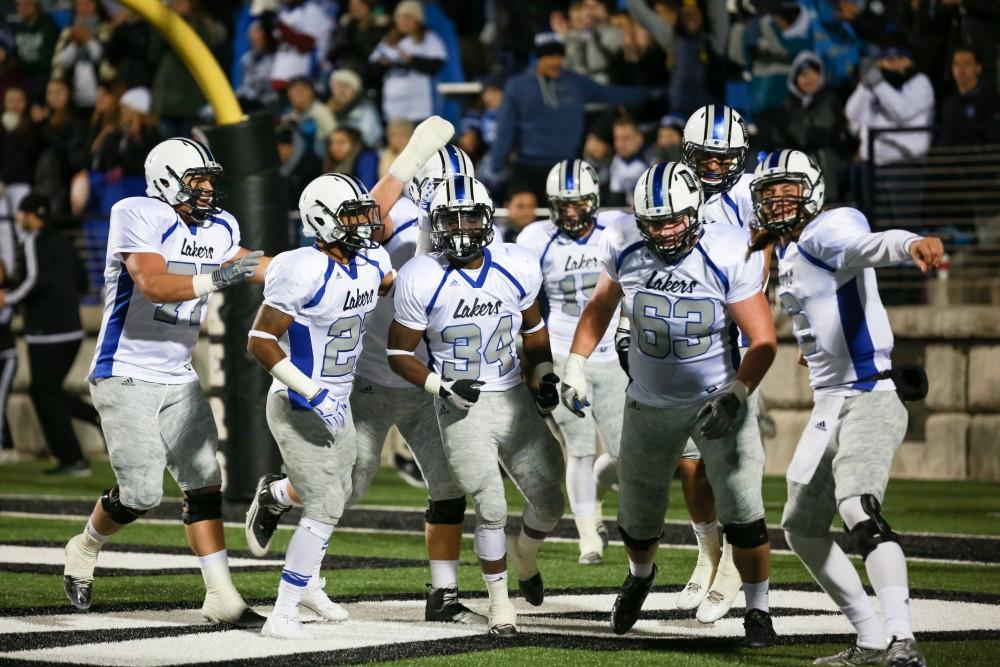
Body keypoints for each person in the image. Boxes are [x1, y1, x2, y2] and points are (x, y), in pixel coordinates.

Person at [561, 161, 777, 646]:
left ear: (696, 211)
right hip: (649, 400)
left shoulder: (728, 250)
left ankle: (758, 608)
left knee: (743, 513)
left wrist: (738, 392)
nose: (662, 232)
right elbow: (600, 306)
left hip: (715, 399)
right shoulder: (622, 241)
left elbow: (763, 339)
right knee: (636, 520)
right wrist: (575, 363)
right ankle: (640, 576)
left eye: (672, 220)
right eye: (652, 222)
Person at [748, 148, 944, 667]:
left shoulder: (826, 230)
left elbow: (867, 246)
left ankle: (903, 640)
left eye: (788, 189)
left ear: (812, 188)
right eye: (769, 192)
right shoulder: (786, 252)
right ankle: (871, 639)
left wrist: (910, 243)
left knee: (857, 505)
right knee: (800, 529)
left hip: (869, 395)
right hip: (829, 402)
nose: (778, 200)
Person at [61, 137, 268, 627]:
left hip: (177, 374)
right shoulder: (138, 211)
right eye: (195, 179)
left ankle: (221, 595)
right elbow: (153, 282)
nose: (205, 189)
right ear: (167, 180)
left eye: (207, 180)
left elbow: (256, 265)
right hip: (125, 372)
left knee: (204, 483)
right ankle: (84, 546)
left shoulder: (220, 225)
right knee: (140, 494)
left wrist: (321, 269)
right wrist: (220, 276)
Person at [387, 175, 565, 635]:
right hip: (460, 407)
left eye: (470, 216)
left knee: (550, 502)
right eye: (450, 218)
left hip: (513, 398)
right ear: (435, 223)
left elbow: (535, 328)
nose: (462, 227)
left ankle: (526, 556)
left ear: (488, 218)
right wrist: (439, 386)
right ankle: (501, 604)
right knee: (489, 506)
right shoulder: (420, 275)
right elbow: (398, 353)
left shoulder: (515, 264)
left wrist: (543, 372)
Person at [247, 173, 393, 639]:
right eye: (351, 216)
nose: (363, 224)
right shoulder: (300, 266)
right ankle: (283, 611)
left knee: (338, 490)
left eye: (362, 214)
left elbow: (386, 281)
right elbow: (260, 341)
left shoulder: (371, 261)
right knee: (327, 502)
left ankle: (281, 511)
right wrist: (311, 392)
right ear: (321, 221)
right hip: (298, 400)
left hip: (341, 397)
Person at [517, 159, 628, 565]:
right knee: (578, 449)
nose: (571, 212)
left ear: (595, 200)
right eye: (562, 205)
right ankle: (588, 538)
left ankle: (595, 495)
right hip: (566, 353)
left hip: (613, 354)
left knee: (624, 453)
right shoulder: (536, 238)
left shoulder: (616, 229)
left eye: (579, 203)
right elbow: (523, 297)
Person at [490, 31, 653, 201]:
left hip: (566, 166)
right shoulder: (516, 86)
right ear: (538, 57)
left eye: (559, 55)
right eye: (550, 56)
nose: (556, 61)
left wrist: (650, 94)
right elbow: (505, 129)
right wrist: (497, 165)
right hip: (527, 167)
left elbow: (609, 93)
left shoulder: (575, 82)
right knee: (526, 218)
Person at [0, 193, 97, 475]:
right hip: (71, 329)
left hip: (46, 333)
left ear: (32, 215)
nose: (19, 219)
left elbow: (34, 280)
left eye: (22, 214)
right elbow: (83, 281)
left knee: (44, 392)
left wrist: (9, 298)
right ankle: (91, 426)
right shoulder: (64, 242)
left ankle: (73, 457)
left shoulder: (34, 240)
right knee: (48, 391)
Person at [369, 0, 447, 123]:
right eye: (400, 18)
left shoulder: (429, 38)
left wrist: (411, 60)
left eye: (408, 18)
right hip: (393, 107)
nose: (403, 22)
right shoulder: (388, 40)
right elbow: (373, 68)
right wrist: (383, 64)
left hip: (419, 107)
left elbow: (437, 64)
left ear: (417, 20)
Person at [51, 0, 111, 115]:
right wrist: (74, 43)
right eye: (79, 4)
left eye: (87, 4)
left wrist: (88, 40)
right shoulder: (68, 31)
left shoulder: (105, 28)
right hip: (75, 97)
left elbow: (104, 58)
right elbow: (61, 62)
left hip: (100, 94)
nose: (83, 8)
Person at [269, 0, 333, 92]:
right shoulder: (283, 13)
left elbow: (306, 45)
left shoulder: (314, 11)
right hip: (280, 77)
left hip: (304, 77)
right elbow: (275, 47)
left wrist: (280, 26)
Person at [12, 0, 60, 96]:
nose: (22, 8)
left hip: (42, 79)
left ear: (36, 5)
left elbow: (48, 61)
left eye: (26, 4)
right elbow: (15, 56)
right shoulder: (18, 28)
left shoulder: (48, 27)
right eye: (19, 5)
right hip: (22, 78)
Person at [328, 68, 383, 149]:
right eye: (338, 85)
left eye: (346, 86)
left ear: (355, 91)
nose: (342, 90)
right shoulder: (325, 108)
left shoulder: (366, 109)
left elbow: (369, 138)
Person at [283, 76, 337, 160]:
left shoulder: (321, 111)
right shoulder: (289, 115)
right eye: (294, 89)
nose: (298, 93)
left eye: (303, 89)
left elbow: (335, 138)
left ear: (312, 92)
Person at [607, 116, 648, 207]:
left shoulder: (652, 161)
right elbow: (614, 200)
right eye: (617, 138)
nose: (620, 144)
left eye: (626, 138)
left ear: (639, 139)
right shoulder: (615, 161)